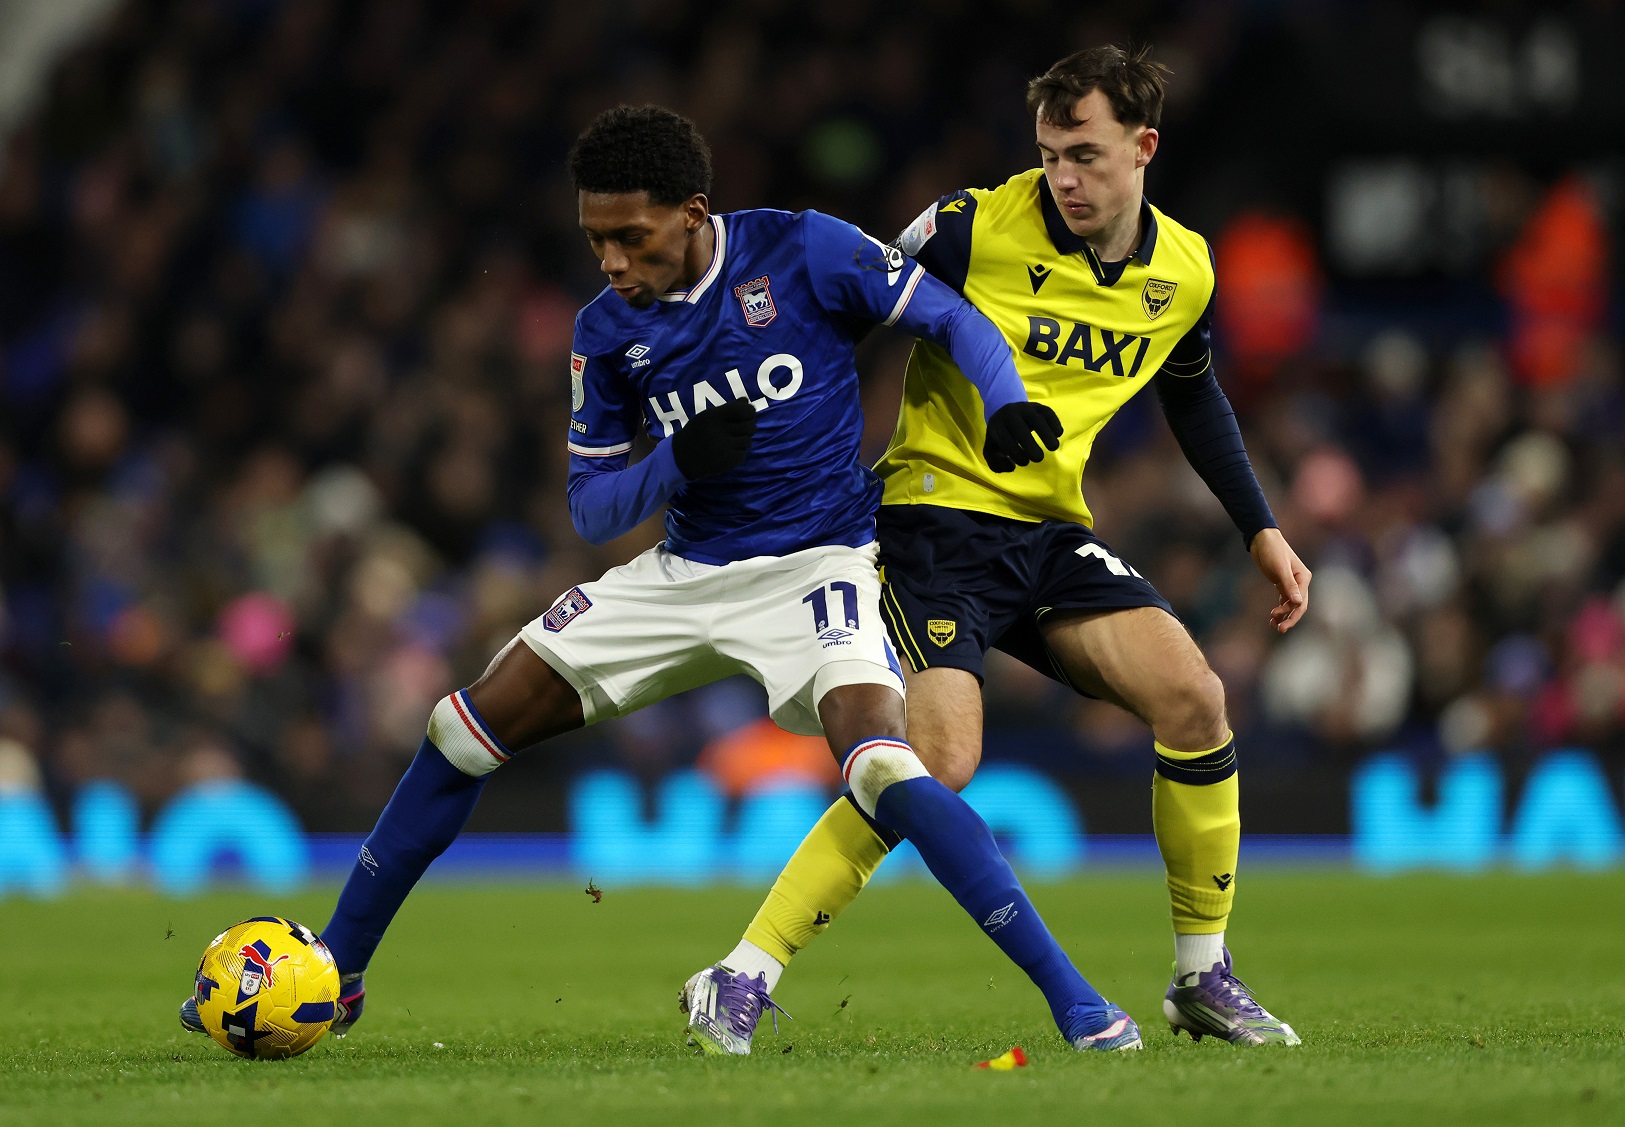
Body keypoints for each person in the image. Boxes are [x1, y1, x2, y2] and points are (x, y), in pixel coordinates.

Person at [178, 104, 1144, 1053]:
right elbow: (592, 507)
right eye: (596, 239)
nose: (611, 261)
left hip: (818, 564)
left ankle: (1080, 1004)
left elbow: (949, 317)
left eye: (630, 238)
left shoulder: (803, 251)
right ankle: (339, 971)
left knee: (886, 766)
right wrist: (680, 457)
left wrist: (1008, 400)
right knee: (459, 727)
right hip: (684, 573)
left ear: (691, 210)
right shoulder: (604, 331)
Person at [685, 45, 1310, 1052]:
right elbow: (840, 307)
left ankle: (1201, 976)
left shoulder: (1183, 268)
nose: (1063, 176)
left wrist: (1261, 528)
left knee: (1194, 697)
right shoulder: (968, 226)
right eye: (1050, 153)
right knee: (937, 758)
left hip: (1051, 535)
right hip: (928, 521)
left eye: (1086, 154)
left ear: (1143, 147)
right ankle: (739, 971)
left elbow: (1188, 391)